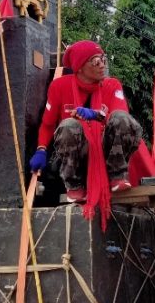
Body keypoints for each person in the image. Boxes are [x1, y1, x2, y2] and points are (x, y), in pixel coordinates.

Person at [28, 40, 143, 202]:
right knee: (68, 125)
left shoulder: (112, 84)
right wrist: (41, 150)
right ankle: (74, 184)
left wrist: (96, 115)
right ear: (80, 66)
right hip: (80, 153)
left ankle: (117, 175)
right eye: (96, 61)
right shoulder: (59, 86)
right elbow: (47, 125)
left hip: (107, 150)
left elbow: (121, 116)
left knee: (121, 118)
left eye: (103, 59)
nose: (102, 65)